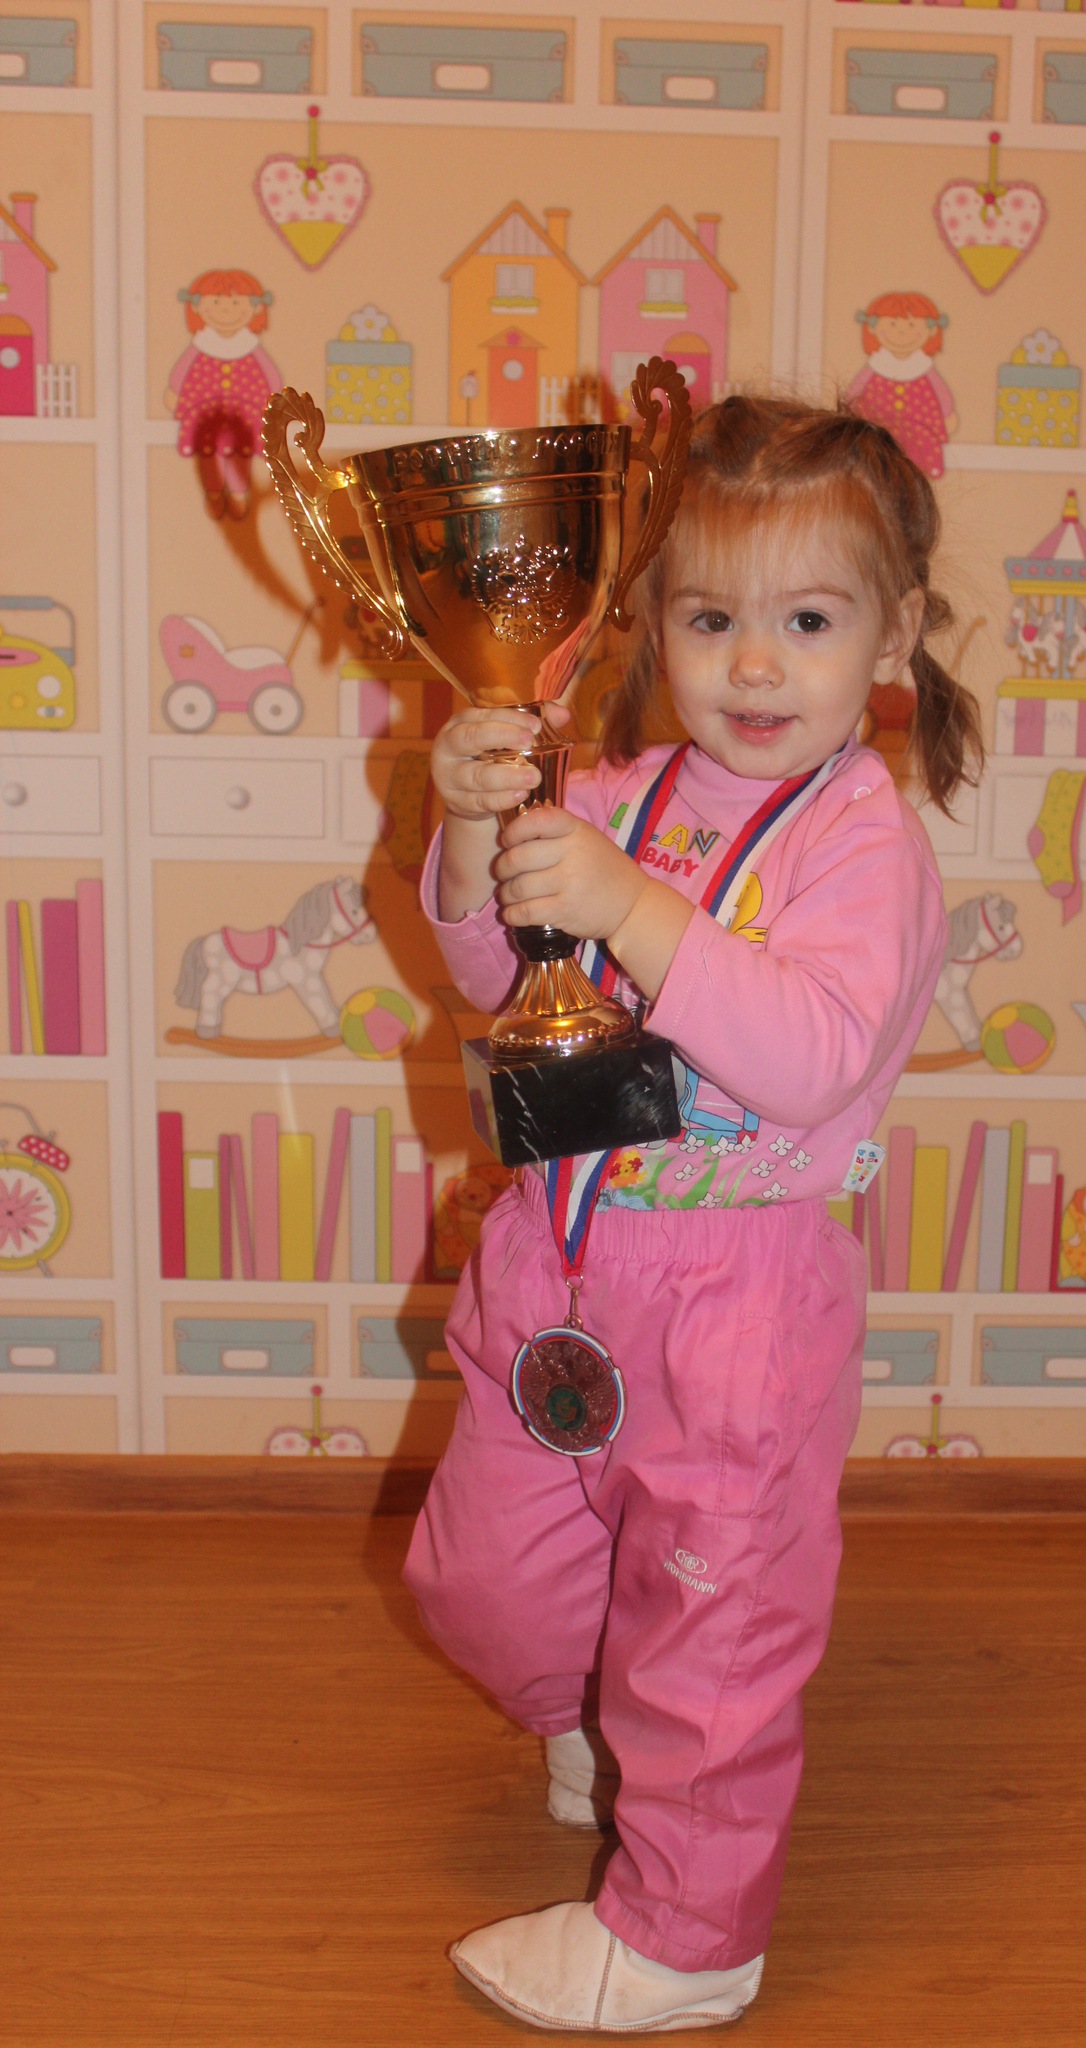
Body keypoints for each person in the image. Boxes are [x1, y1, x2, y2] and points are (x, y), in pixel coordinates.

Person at [404, 395, 982, 2033]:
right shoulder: (623, 791)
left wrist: (633, 907)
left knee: (711, 1625)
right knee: (482, 1578)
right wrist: (473, 821)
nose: (755, 665)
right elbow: (496, 968)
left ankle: (685, 1937)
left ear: (893, 636)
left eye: (810, 621)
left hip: (741, 1300)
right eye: (713, 618)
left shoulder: (863, 845)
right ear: (651, 621)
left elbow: (806, 1052)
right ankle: (597, 1715)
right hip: (561, 1264)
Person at [164, 268, 282, 519]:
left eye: (236, 303)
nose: (226, 310)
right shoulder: (201, 345)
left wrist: (276, 399)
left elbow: (271, 375)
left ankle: (239, 492)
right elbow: (182, 371)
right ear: (197, 307)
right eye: (216, 302)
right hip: (205, 411)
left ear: (255, 308)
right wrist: (175, 392)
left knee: (240, 453)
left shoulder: (250, 346)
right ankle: (214, 491)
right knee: (209, 453)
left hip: (245, 411)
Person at [846, 291, 958, 480]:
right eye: (892, 324)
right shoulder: (876, 365)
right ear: (873, 327)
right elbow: (853, 392)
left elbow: (942, 393)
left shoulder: (923, 367)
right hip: (875, 431)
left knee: (918, 453)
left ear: (931, 330)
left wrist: (947, 414)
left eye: (911, 325)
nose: (901, 332)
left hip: (919, 429)